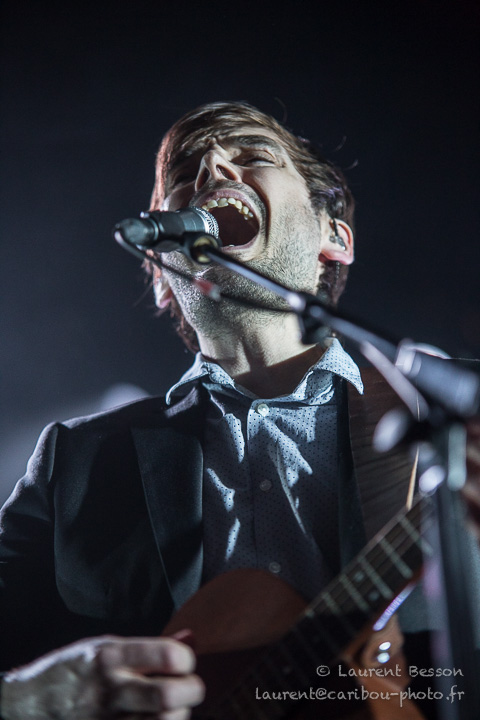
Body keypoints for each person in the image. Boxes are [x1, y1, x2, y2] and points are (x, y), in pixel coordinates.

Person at [0, 101, 479, 720]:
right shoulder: (78, 462)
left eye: (253, 156)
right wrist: (27, 698)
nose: (213, 170)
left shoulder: (454, 412)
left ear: (334, 238)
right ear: (161, 272)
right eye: (184, 176)